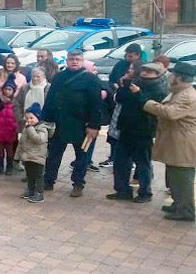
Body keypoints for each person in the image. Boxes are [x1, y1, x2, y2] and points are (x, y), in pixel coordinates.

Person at [42, 49, 103, 197]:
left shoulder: (91, 79)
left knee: (82, 156)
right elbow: (50, 98)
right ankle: (48, 181)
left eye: (77, 59)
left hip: (82, 125)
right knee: (54, 154)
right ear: (67, 61)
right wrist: (46, 119)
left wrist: (94, 125)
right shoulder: (59, 77)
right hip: (61, 123)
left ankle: (78, 184)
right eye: (71, 59)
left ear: (82, 61)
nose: (74, 61)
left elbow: (96, 105)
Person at [107, 62, 169, 203]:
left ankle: (145, 193)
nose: (145, 73)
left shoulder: (159, 88)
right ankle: (122, 190)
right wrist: (123, 86)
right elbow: (121, 100)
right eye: (144, 70)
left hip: (144, 131)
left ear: (157, 74)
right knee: (121, 161)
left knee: (143, 163)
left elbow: (151, 107)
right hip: (126, 128)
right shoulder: (133, 82)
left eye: (149, 72)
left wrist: (138, 93)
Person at [143, 61, 196, 221]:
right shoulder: (178, 91)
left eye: (172, 74)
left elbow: (170, 113)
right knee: (174, 175)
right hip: (175, 141)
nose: (169, 76)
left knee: (182, 177)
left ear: (179, 78)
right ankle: (178, 204)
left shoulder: (187, 95)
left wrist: (147, 103)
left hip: (184, 143)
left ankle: (186, 210)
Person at [16, 103, 53, 203]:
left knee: (38, 176)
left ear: (38, 117)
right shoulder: (27, 128)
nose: (29, 120)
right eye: (27, 118)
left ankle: (39, 194)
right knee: (30, 175)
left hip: (38, 157)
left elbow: (38, 139)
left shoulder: (42, 128)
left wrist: (30, 129)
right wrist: (18, 155)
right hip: (28, 157)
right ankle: (30, 191)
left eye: (31, 118)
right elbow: (22, 143)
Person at [0, 81, 19, 176]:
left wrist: (15, 127)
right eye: (6, 89)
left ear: (13, 91)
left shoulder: (15, 103)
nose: (7, 91)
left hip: (10, 131)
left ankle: (9, 166)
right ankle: (0, 166)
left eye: (10, 89)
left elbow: (17, 117)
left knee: (10, 150)